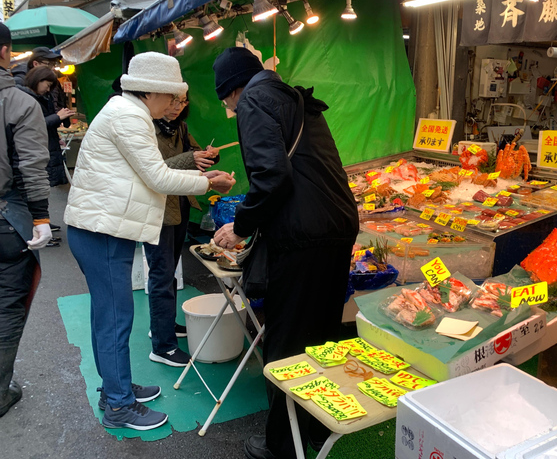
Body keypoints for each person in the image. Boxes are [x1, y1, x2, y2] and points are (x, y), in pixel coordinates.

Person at [65, 52, 235, 431]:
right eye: (172, 97)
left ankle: (116, 389)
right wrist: (210, 182)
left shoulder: (124, 111)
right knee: (114, 318)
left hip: (104, 227)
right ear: (155, 91)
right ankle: (120, 406)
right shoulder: (129, 117)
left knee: (109, 316)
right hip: (102, 231)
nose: (174, 105)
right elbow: (158, 177)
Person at [211, 47, 359, 459]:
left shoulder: (253, 101)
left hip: (302, 237)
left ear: (233, 90)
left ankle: (280, 446)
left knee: (287, 344)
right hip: (336, 226)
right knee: (322, 337)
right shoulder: (292, 96)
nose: (228, 107)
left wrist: (240, 225)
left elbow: (272, 176)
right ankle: (315, 430)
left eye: (225, 100)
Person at [144, 92, 220, 367]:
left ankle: (163, 325)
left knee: (170, 272)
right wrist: (191, 159)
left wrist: (211, 156)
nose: (177, 107)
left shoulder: (181, 128)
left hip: (180, 206)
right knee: (161, 276)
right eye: (173, 101)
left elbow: (196, 155)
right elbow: (151, 171)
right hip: (158, 212)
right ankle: (162, 346)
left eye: (183, 102)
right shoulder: (144, 127)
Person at [0, 22, 53, 418]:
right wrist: (41, 216)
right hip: (6, 215)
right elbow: (32, 166)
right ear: (6, 52)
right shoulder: (17, 102)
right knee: (7, 306)